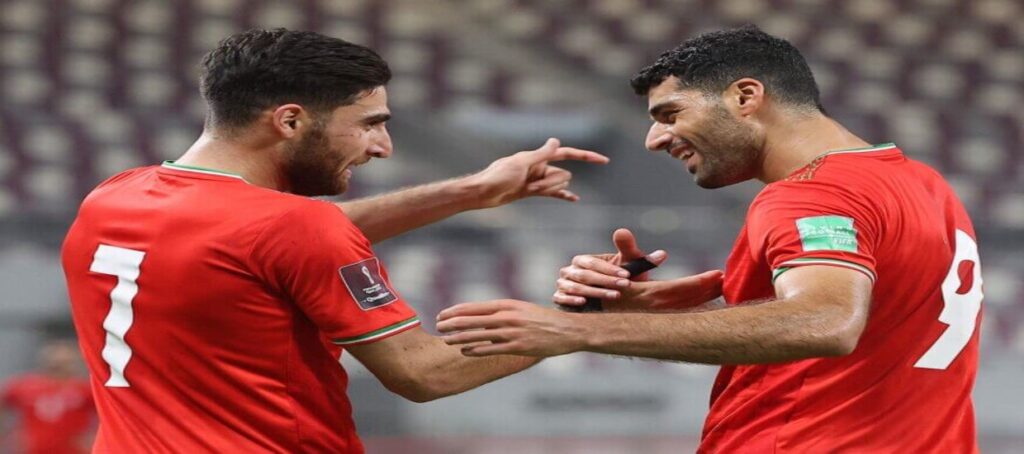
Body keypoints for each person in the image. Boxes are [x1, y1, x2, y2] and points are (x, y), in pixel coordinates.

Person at [437, 25, 981, 452]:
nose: (654, 139)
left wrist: (574, 331)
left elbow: (826, 321)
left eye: (670, 113)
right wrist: (661, 312)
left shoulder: (811, 194)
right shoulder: (922, 184)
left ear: (745, 96)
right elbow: (874, 323)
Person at [61, 28, 608, 453]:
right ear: (290, 121)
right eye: (369, 123)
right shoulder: (292, 227)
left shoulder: (114, 197)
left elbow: (265, 242)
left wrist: (470, 190)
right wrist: (584, 320)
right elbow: (426, 372)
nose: (383, 146)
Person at [1, 339, 95, 454]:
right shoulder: (25, 386)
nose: (59, 366)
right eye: (55, 362)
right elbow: (4, 402)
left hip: (73, 450)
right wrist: (7, 434)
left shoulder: (85, 388)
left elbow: (105, 413)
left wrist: (94, 435)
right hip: (34, 450)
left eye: (64, 362)